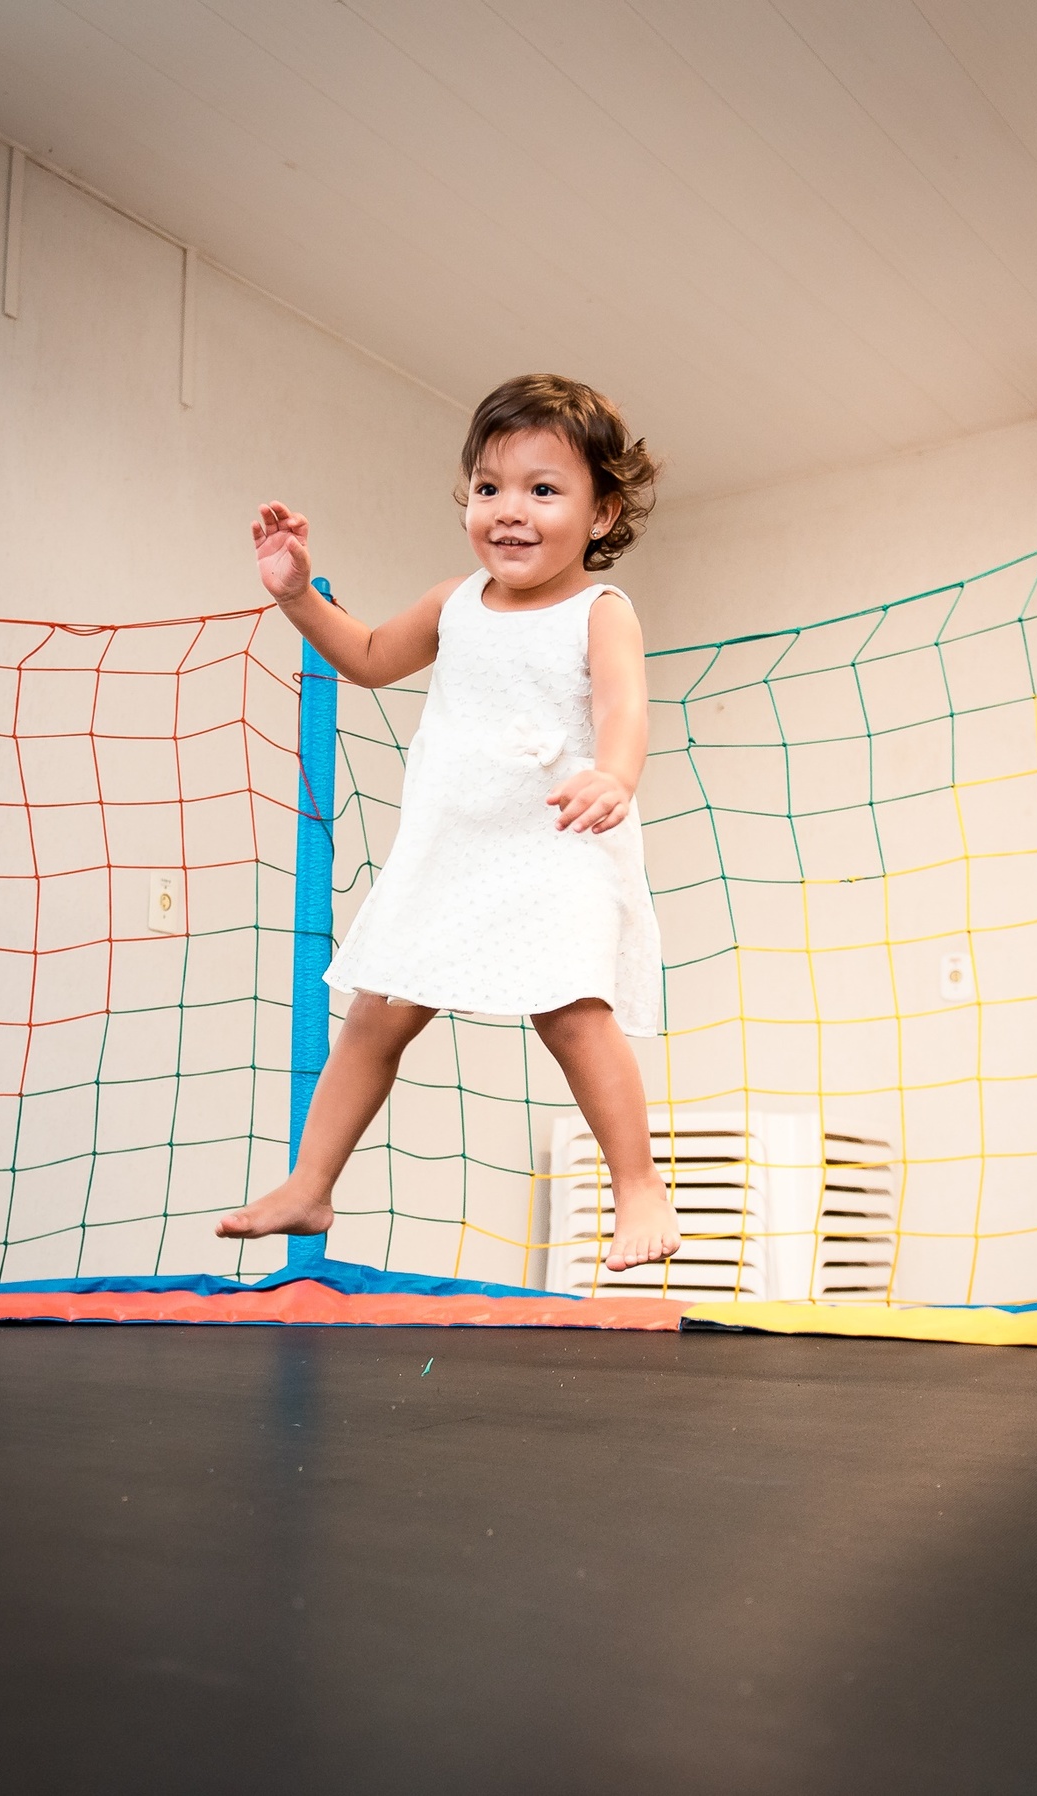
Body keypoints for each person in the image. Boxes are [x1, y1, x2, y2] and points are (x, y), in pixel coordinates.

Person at [216, 373, 681, 1271]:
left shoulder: (599, 612)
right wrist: (297, 594)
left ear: (601, 513)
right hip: (454, 848)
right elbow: (367, 657)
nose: (509, 511)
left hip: (558, 842)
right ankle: (309, 1185)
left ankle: (638, 1188)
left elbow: (624, 707)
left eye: (543, 490)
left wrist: (615, 774)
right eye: (488, 487)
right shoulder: (453, 602)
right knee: (376, 1012)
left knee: (573, 1014)